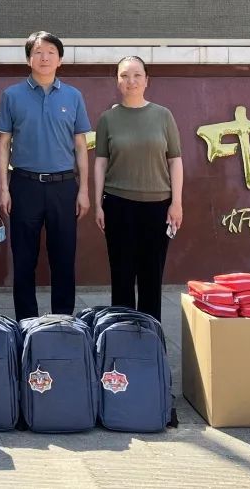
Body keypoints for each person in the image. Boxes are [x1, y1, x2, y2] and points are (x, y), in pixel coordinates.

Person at [0, 31, 90, 319]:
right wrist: (3, 187)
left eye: (51, 52)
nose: (44, 57)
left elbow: (80, 146)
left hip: (64, 186)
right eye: (38, 52)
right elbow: (3, 144)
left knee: (63, 257)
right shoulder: (12, 95)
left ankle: (63, 321)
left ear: (60, 59)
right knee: (24, 259)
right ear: (29, 59)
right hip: (25, 185)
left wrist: (84, 189)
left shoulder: (73, 96)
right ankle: (26, 322)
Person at [93, 55, 183, 322]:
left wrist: (176, 202)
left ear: (146, 80)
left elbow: (175, 160)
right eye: (124, 75)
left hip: (158, 206)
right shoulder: (108, 119)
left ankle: (149, 334)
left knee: (151, 276)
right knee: (121, 274)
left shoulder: (163, 116)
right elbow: (100, 163)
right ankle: (121, 335)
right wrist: (98, 204)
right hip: (118, 204)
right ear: (117, 81)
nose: (130, 81)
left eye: (136, 75)